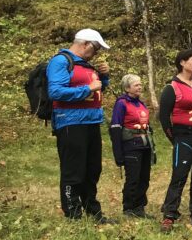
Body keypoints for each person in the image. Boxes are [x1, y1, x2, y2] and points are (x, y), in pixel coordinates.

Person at [47, 28, 112, 222]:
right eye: (96, 48)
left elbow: (97, 91)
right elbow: (56, 92)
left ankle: (93, 211)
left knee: (92, 170)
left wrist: (104, 77)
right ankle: (73, 214)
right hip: (70, 122)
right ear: (85, 44)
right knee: (73, 170)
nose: (97, 53)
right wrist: (87, 88)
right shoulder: (60, 61)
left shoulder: (85, 65)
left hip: (91, 122)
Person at [158, 48, 192, 232]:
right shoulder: (171, 87)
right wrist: (175, 138)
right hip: (184, 135)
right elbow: (164, 117)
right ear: (182, 62)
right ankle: (169, 215)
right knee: (180, 176)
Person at [108, 73, 155, 219]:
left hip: (145, 144)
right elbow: (115, 127)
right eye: (136, 85)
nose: (140, 87)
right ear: (127, 88)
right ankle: (128, 208)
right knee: (133, 178)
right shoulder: (121, 103)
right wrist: (118, 153)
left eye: (140, 84)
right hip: (130, 145)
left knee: (144, 177)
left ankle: (140, 207)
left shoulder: (141, 103)